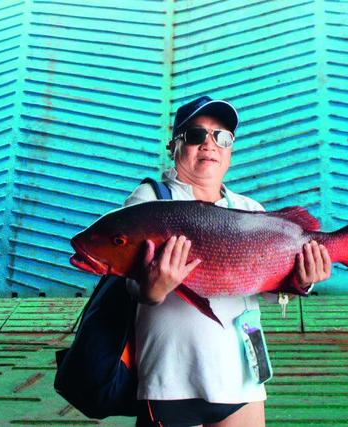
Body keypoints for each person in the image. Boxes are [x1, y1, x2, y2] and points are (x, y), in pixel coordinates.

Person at [123, 96, 332, 426]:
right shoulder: (150, 200)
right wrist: (151, 290)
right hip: (171, 378)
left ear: (231, 149)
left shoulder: (250, 209)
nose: (209, 145)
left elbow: (269, 286)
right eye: (195, 135)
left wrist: (302, 280)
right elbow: (130, 282)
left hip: (240, 376)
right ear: (173, 145)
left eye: (221, 137)